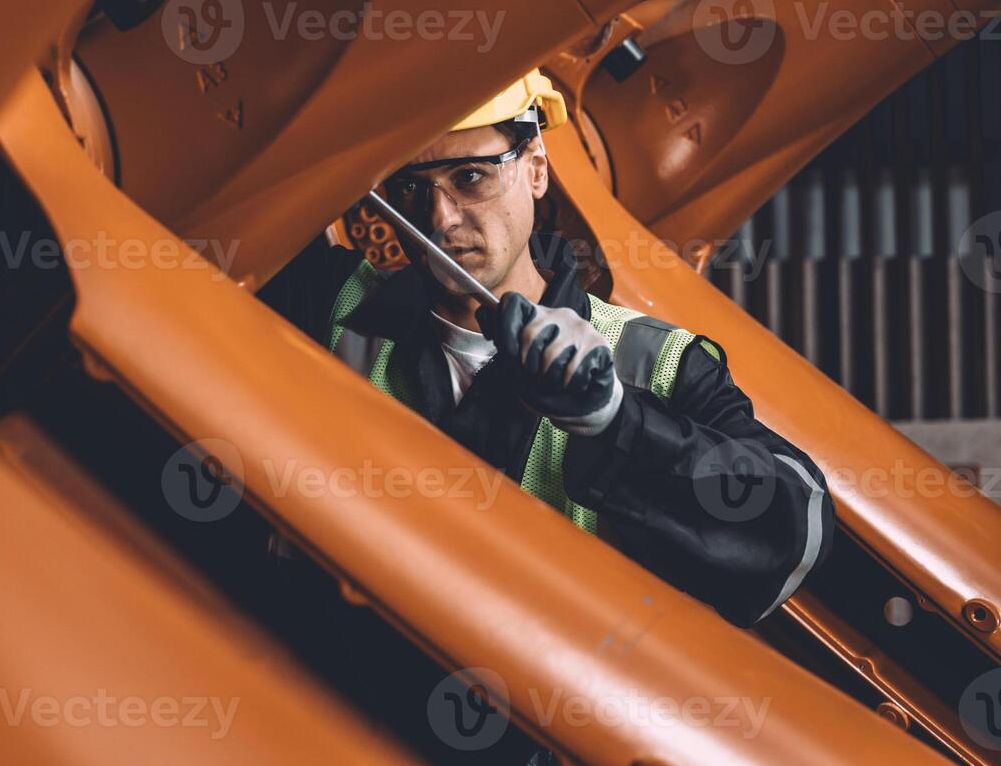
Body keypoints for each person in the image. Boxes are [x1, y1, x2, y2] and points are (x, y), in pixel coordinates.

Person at [259, 69, 833, 627]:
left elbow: (793, 535)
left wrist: (617, 421)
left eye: (470, 177)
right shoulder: (330, 303)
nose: (439, 218)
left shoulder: (653, 363)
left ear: (535, 170)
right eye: (411, 187)